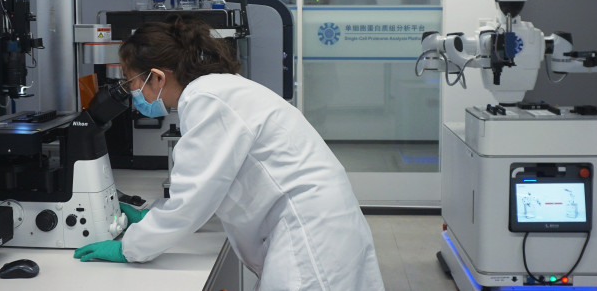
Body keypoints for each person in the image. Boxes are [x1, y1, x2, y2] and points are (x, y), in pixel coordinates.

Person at [74, 17, 385, 290]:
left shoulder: (207, 99)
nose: (133, 94)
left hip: (310, 236)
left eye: (132, 82)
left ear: (157, 76)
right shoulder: (220, 90)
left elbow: (191, 199)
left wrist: (130, 247)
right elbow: (206, 186)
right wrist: (151, 215)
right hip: (320, 223)